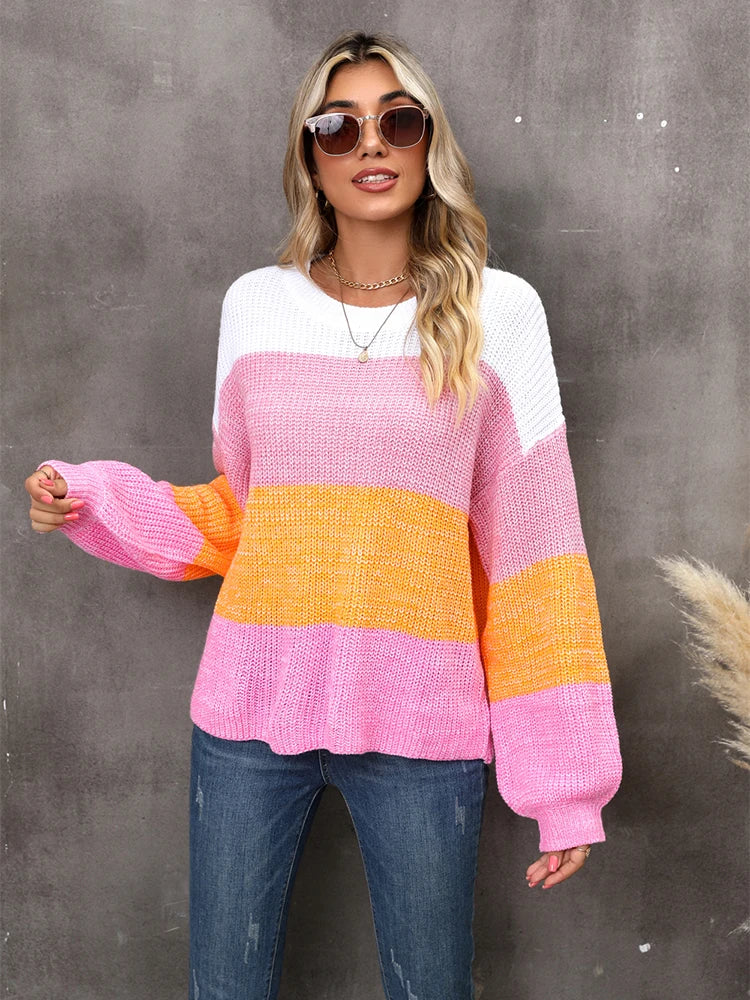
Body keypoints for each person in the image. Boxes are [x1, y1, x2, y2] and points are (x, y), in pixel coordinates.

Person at [25, 29, 622, 1000]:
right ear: (310, 157)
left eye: (399, 121)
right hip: (249, 713)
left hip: (422, 725)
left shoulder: (500, 313)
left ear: (429, 144)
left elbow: (536, 558)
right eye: (339, 126)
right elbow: (245, 514)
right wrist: (94, 494)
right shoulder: (255, 307)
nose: (370, 144)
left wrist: (564, 787)